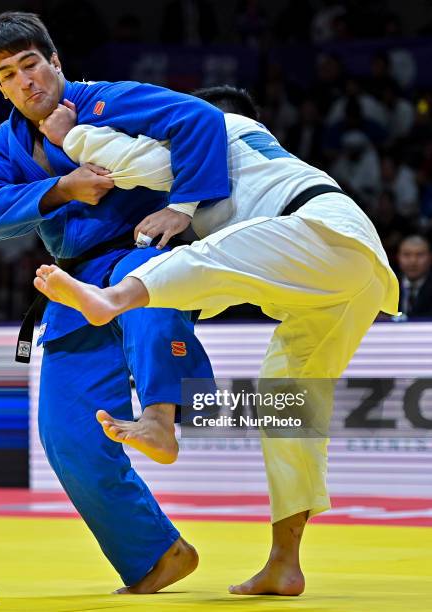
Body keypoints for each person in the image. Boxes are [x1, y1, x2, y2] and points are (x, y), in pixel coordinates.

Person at [33, 85, 400, 596]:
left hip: (313, 228)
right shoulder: (252, 171)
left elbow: (140, 162)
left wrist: (70, 135)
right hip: (353, 268)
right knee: (285, 403)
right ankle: (284, 564)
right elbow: (228, 280)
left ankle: (110, 300)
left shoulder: (224, 131)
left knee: (200, 259)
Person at [0, 11, 233, 594]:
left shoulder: (107, 101)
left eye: (31, 64)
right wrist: (62, 188)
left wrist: (182, 207)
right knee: (69, 435)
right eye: (9, 74)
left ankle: (162, 419)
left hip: (139, 251)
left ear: (54, 61)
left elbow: (202, 119)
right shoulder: (3, 145)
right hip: (73, 285)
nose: (25, 81)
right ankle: (155, 555)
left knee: (152, 294)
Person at [397, 235, 432, 318]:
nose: (413, 261)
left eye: (420, 255)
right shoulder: (386, 287)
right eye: (406, 255)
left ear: (430, 258)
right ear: (398, 257)